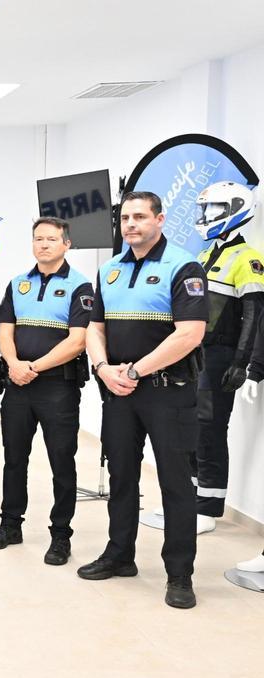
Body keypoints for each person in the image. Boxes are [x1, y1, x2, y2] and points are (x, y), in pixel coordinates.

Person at [80, 191, 208, 610]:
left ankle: (179, 574)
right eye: (126, 218)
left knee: (175, 484)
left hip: (168, 394)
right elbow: (94, 327)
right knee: (121, 477)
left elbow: (189, 333)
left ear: (160, 219)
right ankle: (120, 555)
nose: (131, 224)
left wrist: (135, 371)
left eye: (140, 216)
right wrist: (104, 370)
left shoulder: (183, 265)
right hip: (118, 392)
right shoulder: (111, 269)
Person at [141, 181, 264, 534]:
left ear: (235, 210)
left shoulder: (247, 258)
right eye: (204, 210)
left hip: (221, 356)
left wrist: (246, 364)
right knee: (188, 427)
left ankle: (208, 508)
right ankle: (188, 501)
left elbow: (256, 316)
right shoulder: (205, 255)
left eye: (212, 210)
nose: (205, 218)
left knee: (210, 430)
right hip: (193, 352)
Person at [0, 217, 93, 564]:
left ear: (67, 244)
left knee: (62, 463)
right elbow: (4, 332)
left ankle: (61, 536)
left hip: (57, 388)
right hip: (17, 385)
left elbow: (77, 341)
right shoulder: (18, 284)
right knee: (14, 459)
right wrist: (15, 365)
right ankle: (10, 525)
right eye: (37, 239)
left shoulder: (81, 286)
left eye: (50, 239)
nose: (43, 244)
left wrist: (33, 367)